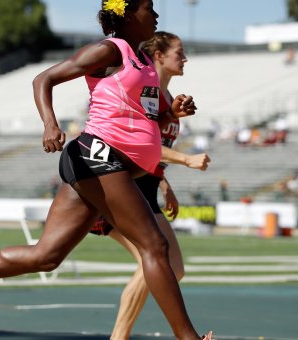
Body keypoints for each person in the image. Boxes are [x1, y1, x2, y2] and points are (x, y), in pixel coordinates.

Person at [0, 1, 212, 339]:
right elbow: (45, 78)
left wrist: (172, 115)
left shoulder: (144, 63)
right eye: (148, 8)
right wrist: (49, 124)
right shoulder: (110, 50)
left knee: (46, 256)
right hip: (97, 157)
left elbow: (143, 120)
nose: (155, 15)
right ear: (127, 14)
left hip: (104, 166)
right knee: (155, 247)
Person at [88, 31, 210, 339]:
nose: (184, 58)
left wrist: (164, 182)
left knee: (173, 267)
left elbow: (151, 145)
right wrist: (186, 159)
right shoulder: (145, 91)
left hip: (146, 189)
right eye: (178, 52)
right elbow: (134, 144)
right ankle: (119, 337)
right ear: (159, 55)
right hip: (118, 186)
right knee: (153, 260)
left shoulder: (167, 99)